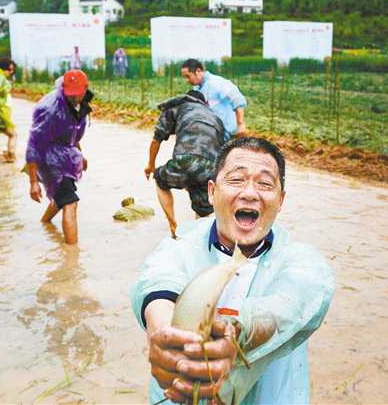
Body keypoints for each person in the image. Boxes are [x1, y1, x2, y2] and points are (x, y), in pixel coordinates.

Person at [131, 137, 335, 405]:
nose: (250, 193)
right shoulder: (178, 247)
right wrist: (165, 336)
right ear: (212, 191)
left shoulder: (302, 261)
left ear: (281, 200)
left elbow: (290, 306)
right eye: (237, 180)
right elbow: (157, 284)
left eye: (265, 183)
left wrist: (239, 333)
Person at [24, 69, 93, 245]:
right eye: (71, 95)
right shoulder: (48, 109)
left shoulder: (81, 103)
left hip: (66, 156)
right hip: (48, 160)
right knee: (70, 201)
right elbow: (33, 145)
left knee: (62, 194)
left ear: (85, 89)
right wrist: (33, 182)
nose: (74, 98)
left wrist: (80, 154)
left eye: (78, 95)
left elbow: (72, 132)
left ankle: (45, 223)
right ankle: (71, 257)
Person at [144, 90, 224, 238]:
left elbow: (157, 139)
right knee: (202, 211)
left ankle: (173, 224)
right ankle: (201, 239)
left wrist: (151, 165)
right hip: (211, 167)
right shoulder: (215, 117)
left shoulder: (178, 107)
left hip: (184, 160)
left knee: (160, 179)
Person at [181, 58, 247, 140]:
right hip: (212, 133)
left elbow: (237, 99)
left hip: (227, 133)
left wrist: (240, 124)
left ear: (198, 71)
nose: (187, 80)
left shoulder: (217, 83)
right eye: (185, 77)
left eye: (188, 76)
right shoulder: (197, 88)